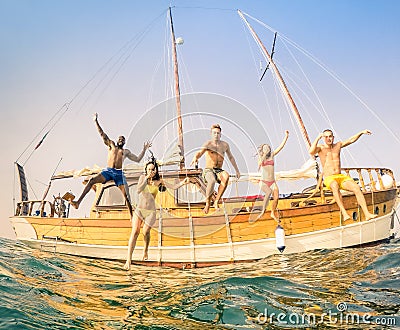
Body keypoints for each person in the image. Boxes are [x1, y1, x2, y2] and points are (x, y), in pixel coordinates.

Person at [70, 113, 151, 216]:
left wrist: (144, 149)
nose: (121, 140)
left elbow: (138, 159)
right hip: (108, 171)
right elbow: (102, 134)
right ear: (117, 140)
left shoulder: (126, 152)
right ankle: (78, 202)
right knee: (91, 181)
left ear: (125, 142)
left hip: (118, 173)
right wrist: (96, 121)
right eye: (120, 139)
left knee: (126, 195)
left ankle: (132, 216)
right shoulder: (111, 145)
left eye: (123, 139)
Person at [124, 159, 189, 270]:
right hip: (139, 210)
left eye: (152, 169)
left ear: (156, 170)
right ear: (146, 170)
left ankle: (145, 249)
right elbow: (139, 190)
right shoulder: (142, 178)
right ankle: (128, 260)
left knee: (145, 231)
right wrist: (146, 178)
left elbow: (172, 187)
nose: (150, 171)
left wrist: (183, 182)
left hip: (151, 212)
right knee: (135, 232)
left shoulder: (159, 181)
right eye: (148, 169)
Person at [309, 128, 377, 221]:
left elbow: (351, 140)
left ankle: (367, 214)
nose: (328, 138)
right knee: (334, 185)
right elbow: (311, 151)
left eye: (330, 136)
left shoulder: (338, 145)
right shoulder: (320, 148)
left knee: (356, 188)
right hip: (329, 178)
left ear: (333, 137)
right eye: (326, 137)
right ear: (323, 138)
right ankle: (344, 213)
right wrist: (317, 138)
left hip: (340, 176)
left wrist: (361, 132)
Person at [190, 124, 241, 214]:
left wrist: (237, 170)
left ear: (220, 134)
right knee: (212, 181)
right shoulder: (208, 144)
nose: (216, 135)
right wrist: (195, 157)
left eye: (218, 133)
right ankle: (207, 203)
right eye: (214, 133)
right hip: (209, 170)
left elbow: (231, 157)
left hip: (219, 170)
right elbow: (200, 152)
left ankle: (216, 201)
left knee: (226, 176)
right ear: (211, 134)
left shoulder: (225, 145)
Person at [256, 130, 289, 221]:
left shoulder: (272, 155)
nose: (267, 149)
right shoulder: (261, 157)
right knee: (268, 192)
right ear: (262, 150)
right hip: (264, 182)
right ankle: (263, 211)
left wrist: (286, 137)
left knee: (276, 197)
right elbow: (259, 163)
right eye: (265, 148)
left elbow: (281, 147)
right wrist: (264, 155)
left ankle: (272, 212)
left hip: (272, 181)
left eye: (268, 148)